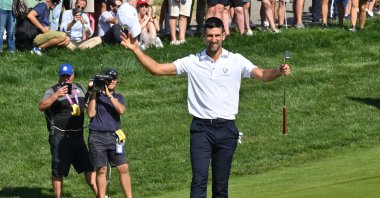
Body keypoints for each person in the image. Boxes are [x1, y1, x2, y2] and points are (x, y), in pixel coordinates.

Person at [120, 17, 291, 198]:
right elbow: (157, 69)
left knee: (220, 186)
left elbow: (263, 74)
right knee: (199, 181)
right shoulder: (193, 61)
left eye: (217, 35)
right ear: (204, 36)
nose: (214, 39)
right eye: (210, 35)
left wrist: (278, 71)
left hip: (227, 129)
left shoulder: (236, 60)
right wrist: (136, 49)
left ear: (224, 35)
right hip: (201, 129)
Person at [38, 63, 98, 198]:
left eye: (68, 76)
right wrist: (57, 95)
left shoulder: (80, 88)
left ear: (73, 75)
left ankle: (100, 195)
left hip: (78, 136)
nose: (65, 79)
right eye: (63, 76)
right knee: (58, 171)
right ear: (59, 76)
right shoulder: (52, 90)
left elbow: (88, 106)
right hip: (59, 137)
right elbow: (41, 106)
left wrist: (93, 91)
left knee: (88, 167)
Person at [86, 69, 133, 198]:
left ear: (117, 81)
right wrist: (94, 94)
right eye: (109, 79)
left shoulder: (118, 96)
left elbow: (121, 110)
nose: (112, 81)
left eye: (114, 78)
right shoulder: (94, 96)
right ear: (104, 81)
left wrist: (109, 96)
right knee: (101, 170)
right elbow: (90, 113)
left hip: (115, 136)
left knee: (123, 167)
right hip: (97, 137)